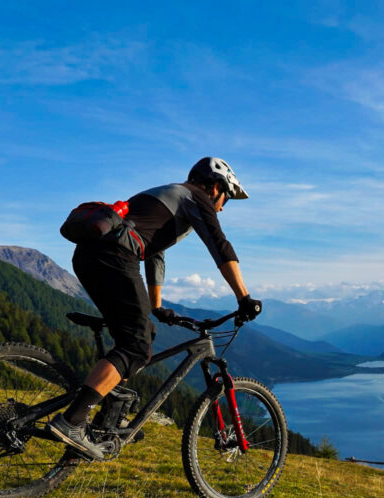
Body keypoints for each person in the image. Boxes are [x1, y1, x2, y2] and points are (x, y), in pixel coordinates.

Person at [49, 157, 262, 460]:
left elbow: (153, 252)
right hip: (114, 257)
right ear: (215, 187)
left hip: (89, 256)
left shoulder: (166, 196)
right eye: (226, 196)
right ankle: (72, 421)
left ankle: (107, 416)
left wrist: (157, 306)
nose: (224, 206)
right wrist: (244, 297)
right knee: (135, 348)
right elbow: (219, 244)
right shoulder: (195, 196)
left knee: (143, 331)